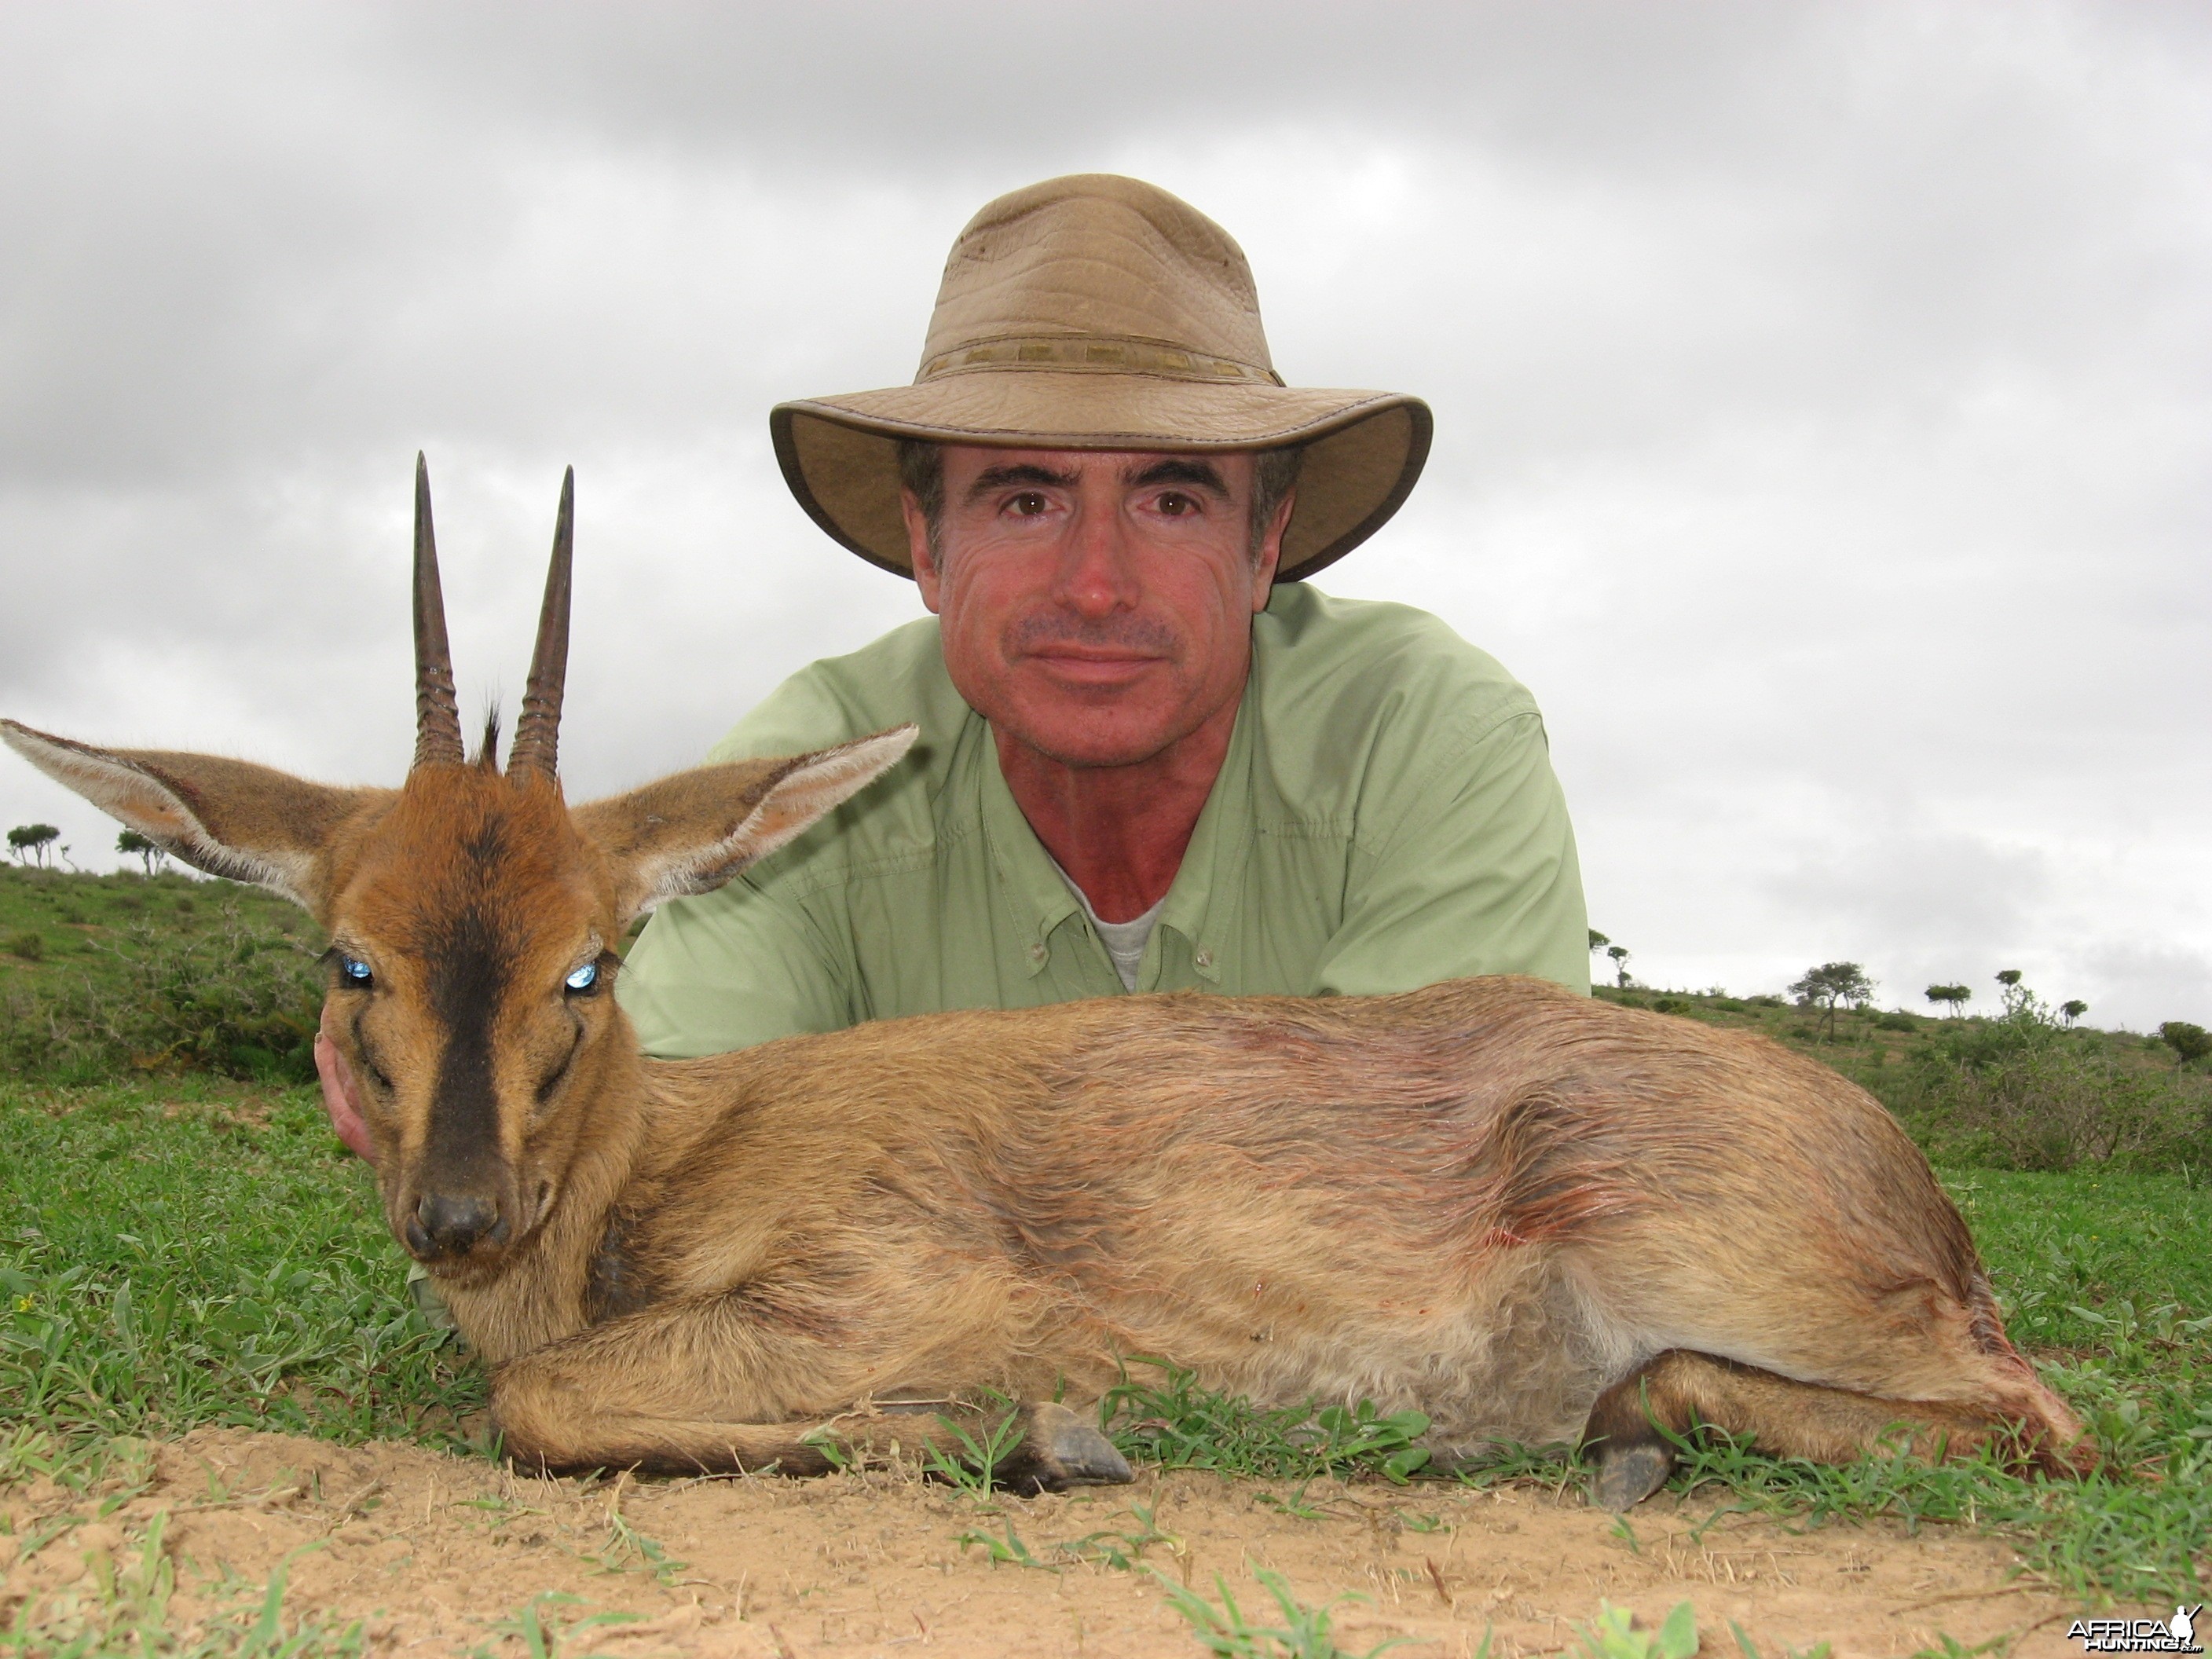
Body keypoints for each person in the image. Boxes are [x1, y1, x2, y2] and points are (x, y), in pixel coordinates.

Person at [318, 172, 1586, 1161]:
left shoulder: (1432, 732)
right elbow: (653, 1155)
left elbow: (1446, 1168)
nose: (1097, 584)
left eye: (1173, 501)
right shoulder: (817, 773)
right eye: (1027, 502)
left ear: (1267, 546)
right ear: (927, 544)